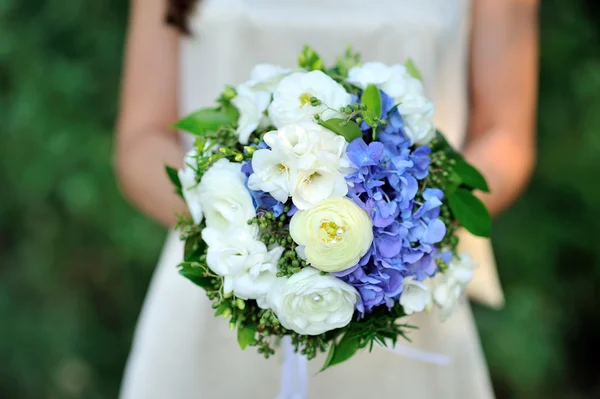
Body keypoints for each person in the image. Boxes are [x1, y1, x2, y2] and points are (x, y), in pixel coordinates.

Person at [114, 0, 539, 397]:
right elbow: (142, 139)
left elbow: (504, 137)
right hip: (219, 287)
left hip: (402, 289)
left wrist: (405, 228)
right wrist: (238, 234)